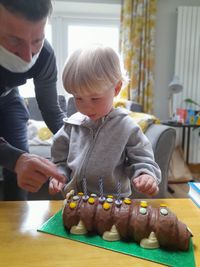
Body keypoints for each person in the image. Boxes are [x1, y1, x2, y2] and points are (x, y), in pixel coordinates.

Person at [49, 45, 161, 198]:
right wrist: (58, 175)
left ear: (116, 89)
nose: (86, 106)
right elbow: (59, 161)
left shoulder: (126, 128)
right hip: (75, 202)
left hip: (113, 205)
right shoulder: (71, 125)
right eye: (78, 98)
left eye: (95, 98)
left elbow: (142, 159)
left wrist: (145, 175)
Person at [0, 0, 66, 200]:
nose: (28, 57)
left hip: (9, 102)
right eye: (14, 40)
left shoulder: (44, 55)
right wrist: (14, 159)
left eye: (37, 40)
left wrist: (79, 138)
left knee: (20, 173)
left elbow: (51, 110)